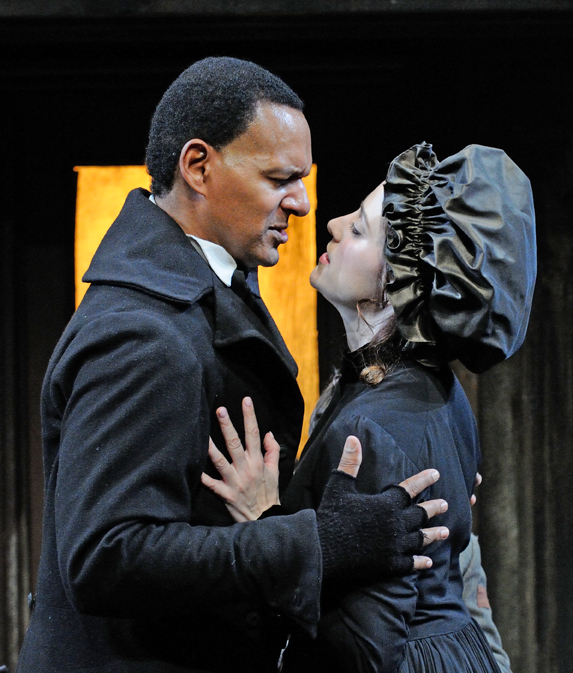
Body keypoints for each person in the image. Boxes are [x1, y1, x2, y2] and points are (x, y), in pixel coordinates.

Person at [16, 59, 449, 673]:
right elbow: (105, 556)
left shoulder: (213, 285)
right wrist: (317, 542)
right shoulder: (143, 331)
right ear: (199, 167)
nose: (302, 203)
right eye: (280, 178)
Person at [205, 142, 535, 672]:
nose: (332, 224)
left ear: (393, 284)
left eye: (359, 230)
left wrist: (265, 523)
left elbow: (360, 653)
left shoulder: (371, 426)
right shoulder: (433, 388)